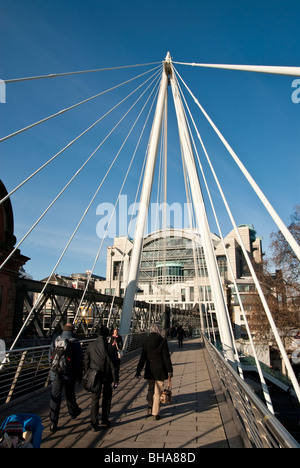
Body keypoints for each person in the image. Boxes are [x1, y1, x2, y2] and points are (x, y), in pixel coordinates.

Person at [49, 323, 83, 433]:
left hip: (57, 374)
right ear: (73, 330)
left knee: (55, 397)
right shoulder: (75, 342)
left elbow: (50, 356)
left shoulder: (56, 340)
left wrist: (53, 369)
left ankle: (53, 423)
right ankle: (73, 413)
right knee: (70, 394)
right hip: (69, 374)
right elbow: (79, 361)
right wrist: (79, 374)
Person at [84, 325, 119, 431]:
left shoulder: (91, 346)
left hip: (94, 374)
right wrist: (116, 379)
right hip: (107, 375)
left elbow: (86, 361)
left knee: (94, 398)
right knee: (107, 397)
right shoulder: (110, 347)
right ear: (107, 335)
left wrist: (87, 373)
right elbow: (114, 364)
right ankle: (105, 419)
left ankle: (94, 423)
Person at [135, 324, 173, 421]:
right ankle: (155, 413)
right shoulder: (162, 341)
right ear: (159, 331)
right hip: (160, 370)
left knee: (150, 389)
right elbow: (166, 357)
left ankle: (150, 405)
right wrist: (170, 370)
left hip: (150, 370)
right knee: (158, 392)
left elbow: (143, 357)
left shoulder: (146, 341)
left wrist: (138, 370)